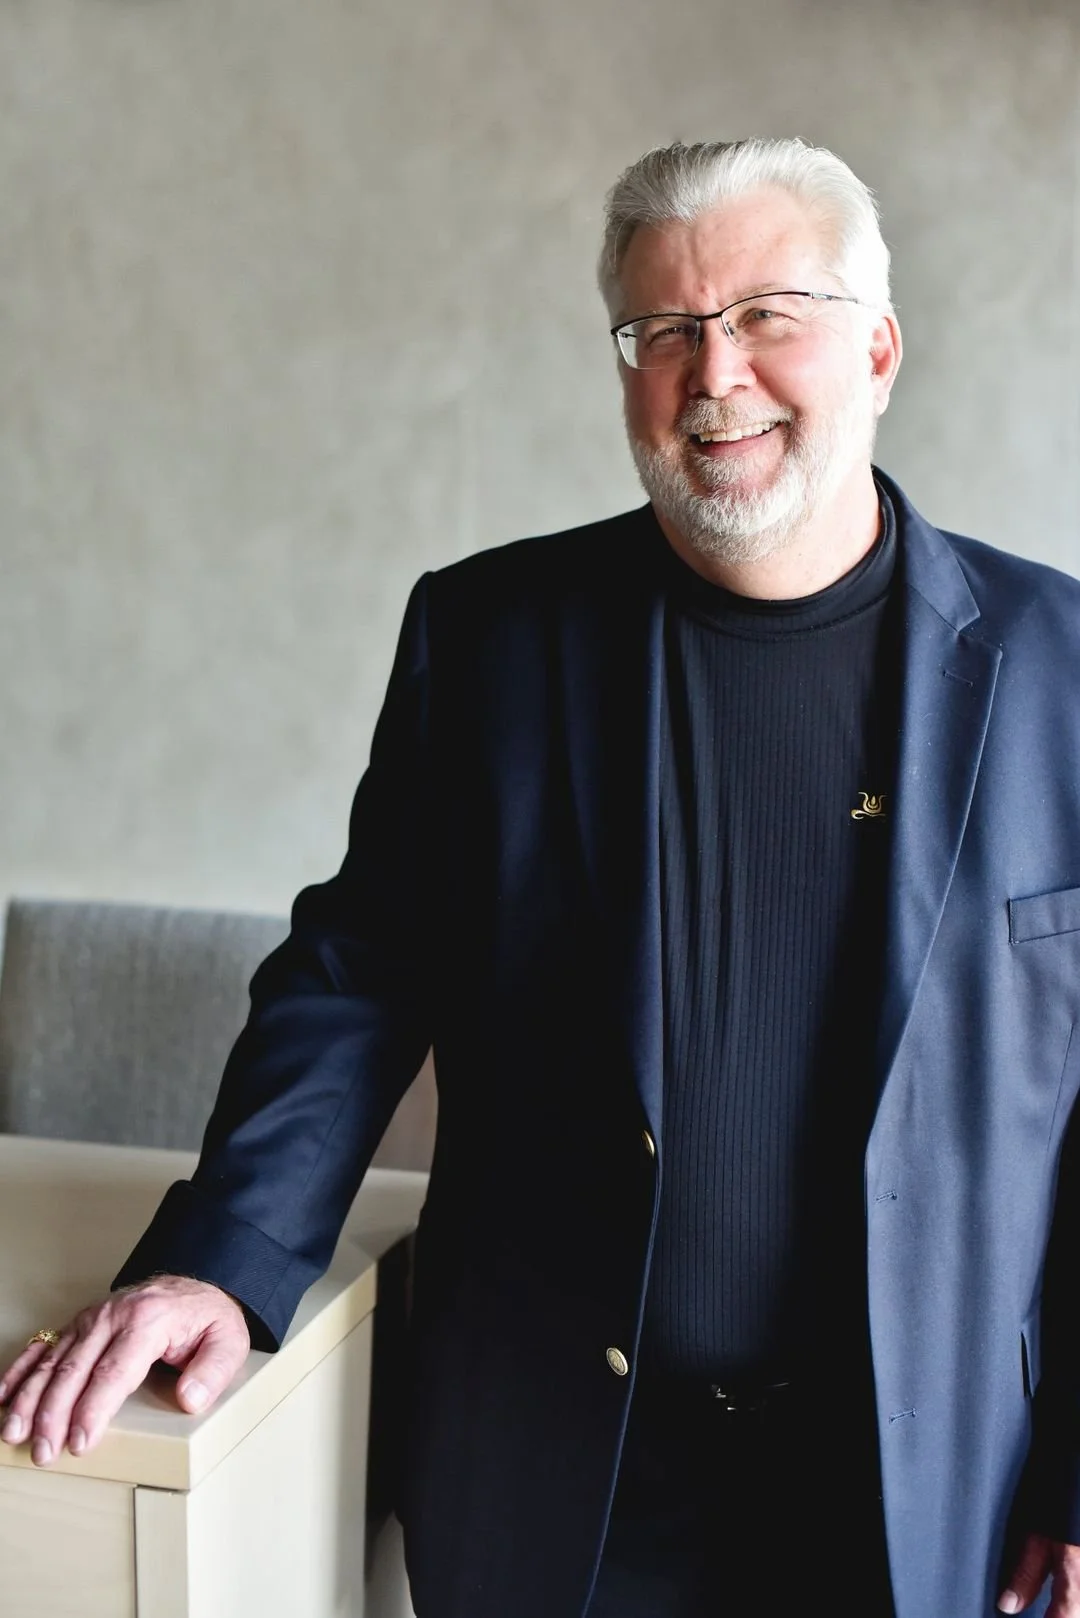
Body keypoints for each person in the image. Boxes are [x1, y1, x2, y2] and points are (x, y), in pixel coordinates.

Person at [2, 135, 1079, 1618]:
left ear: (879, 348)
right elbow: (360, 970)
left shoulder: (1059, 668)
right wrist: (221, 1261)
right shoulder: (491, 638)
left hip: (918, 1486)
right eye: (665, 330)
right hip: (563, 1476)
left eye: (766, 315)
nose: (714, 375)